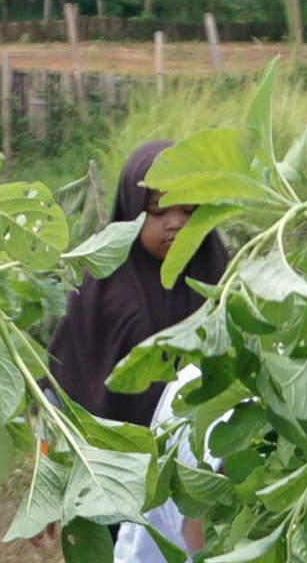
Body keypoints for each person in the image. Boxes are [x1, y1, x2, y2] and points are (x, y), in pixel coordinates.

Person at [45, 142, 218, 430]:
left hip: (199, 449)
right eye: (157, 211)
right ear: (131, 209)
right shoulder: (103, 288)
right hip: (115, 451)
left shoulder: (218, 273)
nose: (174, 223)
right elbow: (68, 378)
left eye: (188, 210)